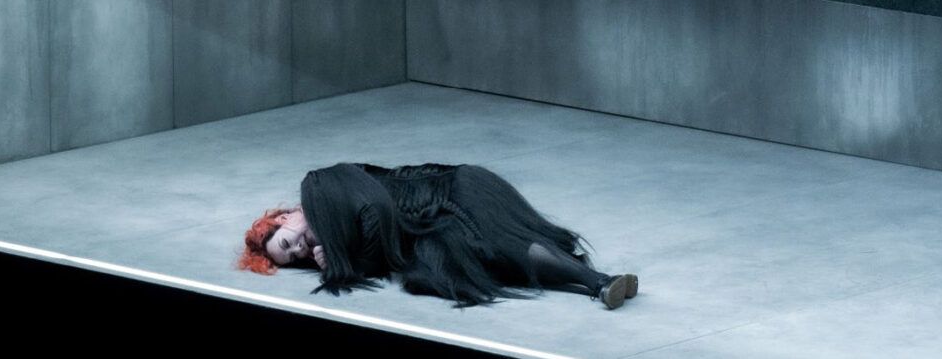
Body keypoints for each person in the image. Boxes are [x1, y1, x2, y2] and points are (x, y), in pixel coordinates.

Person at [237, 161, 640, 310]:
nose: (301, 249)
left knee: (501, 243)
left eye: (288, 241)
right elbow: (389, 249)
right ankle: (601, 284)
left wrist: (347, 266)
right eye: (295, 258)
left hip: (451, 193)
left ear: (286, 216)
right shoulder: (333, 237)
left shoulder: (318, 185)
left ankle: (599, 282)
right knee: (489, 260)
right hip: (436, 222)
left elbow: (376, 211)